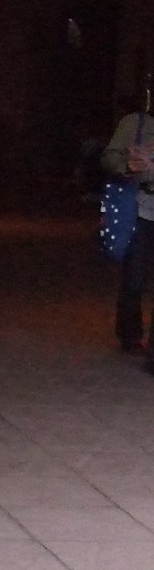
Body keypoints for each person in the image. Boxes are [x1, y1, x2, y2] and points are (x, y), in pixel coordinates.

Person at [103, 90, 154, 371]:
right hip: (142, 207)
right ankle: (130, 333)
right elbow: (110, 156)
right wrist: (128, 165)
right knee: (135, 277)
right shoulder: (136, 123)